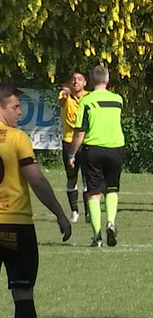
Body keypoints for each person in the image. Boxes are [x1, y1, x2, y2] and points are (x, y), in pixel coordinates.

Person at [0, 84, 71, 318]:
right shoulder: (17, 139)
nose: (20, 111)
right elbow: (36, 180)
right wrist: (60, 213)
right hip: (16, 225)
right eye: (15, 106)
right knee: (23, 293)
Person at [68, 66, 125, 247]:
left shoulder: (87, 101)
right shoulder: (118, 100)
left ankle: (97, 236)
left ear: (91, 81)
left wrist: (71, 153)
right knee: (112, 189)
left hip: (93, 149)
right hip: (116, 147)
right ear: (107, 80)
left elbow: (80, 131)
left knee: (93, 193)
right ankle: (111, 222)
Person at [57, 72, 90, 223]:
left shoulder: (90, 97)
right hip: (69, 142)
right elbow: (62, 100)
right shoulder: (65, 95)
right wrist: (66, 93)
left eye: (79, 79)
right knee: (72, 178)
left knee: (87, 179)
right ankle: (74, 210)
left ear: (85, 83)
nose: (75, 81)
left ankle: (89, 212)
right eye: (73, 79)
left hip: (86, 142)